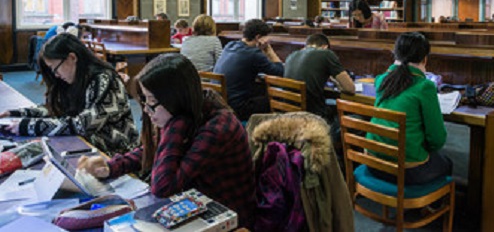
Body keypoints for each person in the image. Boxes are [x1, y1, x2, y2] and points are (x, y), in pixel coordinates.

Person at [77, 53, 255, 228]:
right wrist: (112, 166)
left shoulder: (216, 128)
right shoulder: (190, 109)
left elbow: (163, 187)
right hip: (196, 206)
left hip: (229, 218)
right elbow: (153, 149)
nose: (146, 109)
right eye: (145, 99)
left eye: (152, 101)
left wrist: (175, 125)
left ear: (175, 99)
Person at [0, 33, 139, 155]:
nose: (56, 75)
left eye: (56, 69)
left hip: (116, 153)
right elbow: (55, 109)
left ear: (72, 58)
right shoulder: (74, 79)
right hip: (89, 146)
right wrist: (16, 113)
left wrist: (28, 126)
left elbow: (83, 125)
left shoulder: (104, 80)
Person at [367, 32, 452, 185]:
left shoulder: (381, 80)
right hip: (405, 170)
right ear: (425, 59)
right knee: (446, 163)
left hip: (373, 161)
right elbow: (437, 139)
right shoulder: (424, 87)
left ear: (395, 54)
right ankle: (421, 207)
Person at [213, 19, 283, 121]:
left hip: (222, 101)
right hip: (238, 107)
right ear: (258, 37)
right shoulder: (253, 53)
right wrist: (268, 50)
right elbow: (280, 71)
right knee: (277, 98)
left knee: (261, 90)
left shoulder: (230, 45)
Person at [284, 34, 355, 122]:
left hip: (289, 113)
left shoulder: (291, 55)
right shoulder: (326, 53)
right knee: (354, 114)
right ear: (325, 47)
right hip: (313, 115)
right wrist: (336, 83)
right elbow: (350, 89)